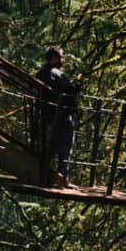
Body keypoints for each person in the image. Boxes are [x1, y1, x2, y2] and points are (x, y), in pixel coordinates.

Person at [36, 45, 81, 187]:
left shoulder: (41, 73)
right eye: (61, 57)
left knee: (51, 145)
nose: (62, 60)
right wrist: (78, 83)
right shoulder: (55, 73)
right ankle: (62, 178)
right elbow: (70, 90)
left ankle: (48, 175)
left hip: (48, 114)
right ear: (54, 58)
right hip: (62, 113)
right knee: (66, 146)